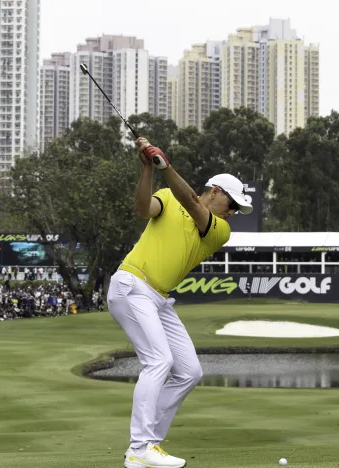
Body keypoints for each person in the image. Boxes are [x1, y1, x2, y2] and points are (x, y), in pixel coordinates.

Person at [107, 137, 253, 468]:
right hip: (132, 285)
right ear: (215, 191)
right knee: (158, 361)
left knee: (189, 371)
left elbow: (188, 199)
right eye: (232, 205)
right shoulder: (168, 200)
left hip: (157, 298)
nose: (233, 213)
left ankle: (148, 446)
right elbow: (143, 209)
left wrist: (164, 165)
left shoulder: (219, 230)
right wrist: (148, 168)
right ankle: (139, 447)